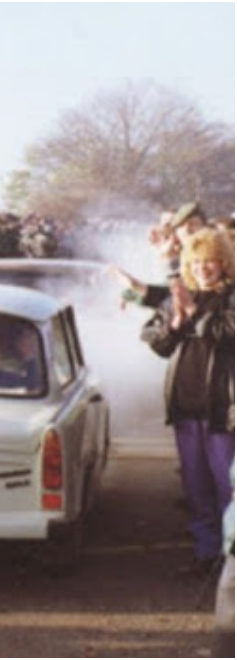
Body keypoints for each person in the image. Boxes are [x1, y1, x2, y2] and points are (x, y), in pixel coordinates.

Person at [142, 229, 235, 576]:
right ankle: (205, 552)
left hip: (222, 409)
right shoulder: (180, 296)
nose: (202, 268)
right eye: (194, 262)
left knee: (227, 485)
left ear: (224, 262)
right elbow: (156, 341)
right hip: (185, 405)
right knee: (196, 485)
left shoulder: (230, 298)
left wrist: (195, 312)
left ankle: (231, 558)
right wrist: (176, 322)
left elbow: (227, 332)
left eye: (209, 260)